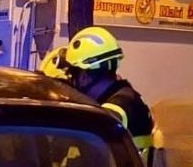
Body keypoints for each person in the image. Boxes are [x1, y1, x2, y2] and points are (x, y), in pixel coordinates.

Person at [64, 26, 155, 159]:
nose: (73, 82)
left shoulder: (122, 103)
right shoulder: (126, 96)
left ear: (83, 76)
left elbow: (98, 127)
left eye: (73, 75)